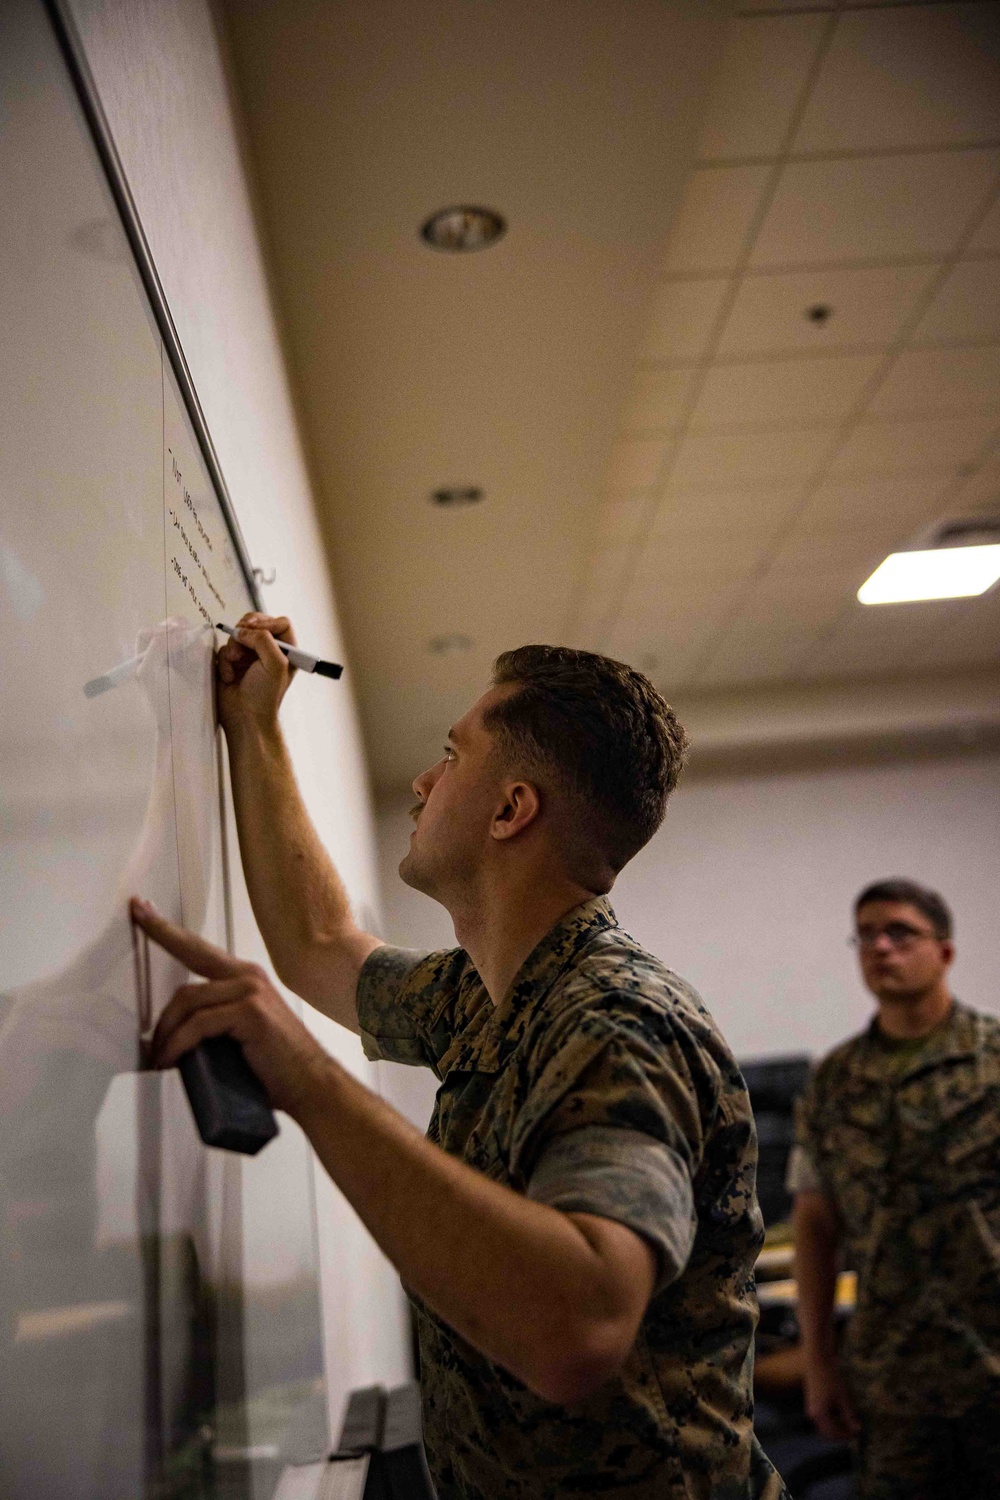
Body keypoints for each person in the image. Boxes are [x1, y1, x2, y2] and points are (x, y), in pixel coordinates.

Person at [132, 612, 786, 1499]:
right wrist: (254, 725)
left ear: (512, 810)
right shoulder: (491, 997)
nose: (423, 780)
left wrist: (310, 1080)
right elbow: (322, 945)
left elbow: (578, 1326)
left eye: (452, 754)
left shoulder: (618, 1021)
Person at [790, 878, 1000, 1500]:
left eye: (900, 932)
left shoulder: (993, 1061)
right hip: (891, 1378)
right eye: (867, 935)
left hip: (993, 1362)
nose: (880, 948)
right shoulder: (835, 1080)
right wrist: (819, 1364)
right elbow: (814, 1225)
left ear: (946, 952)